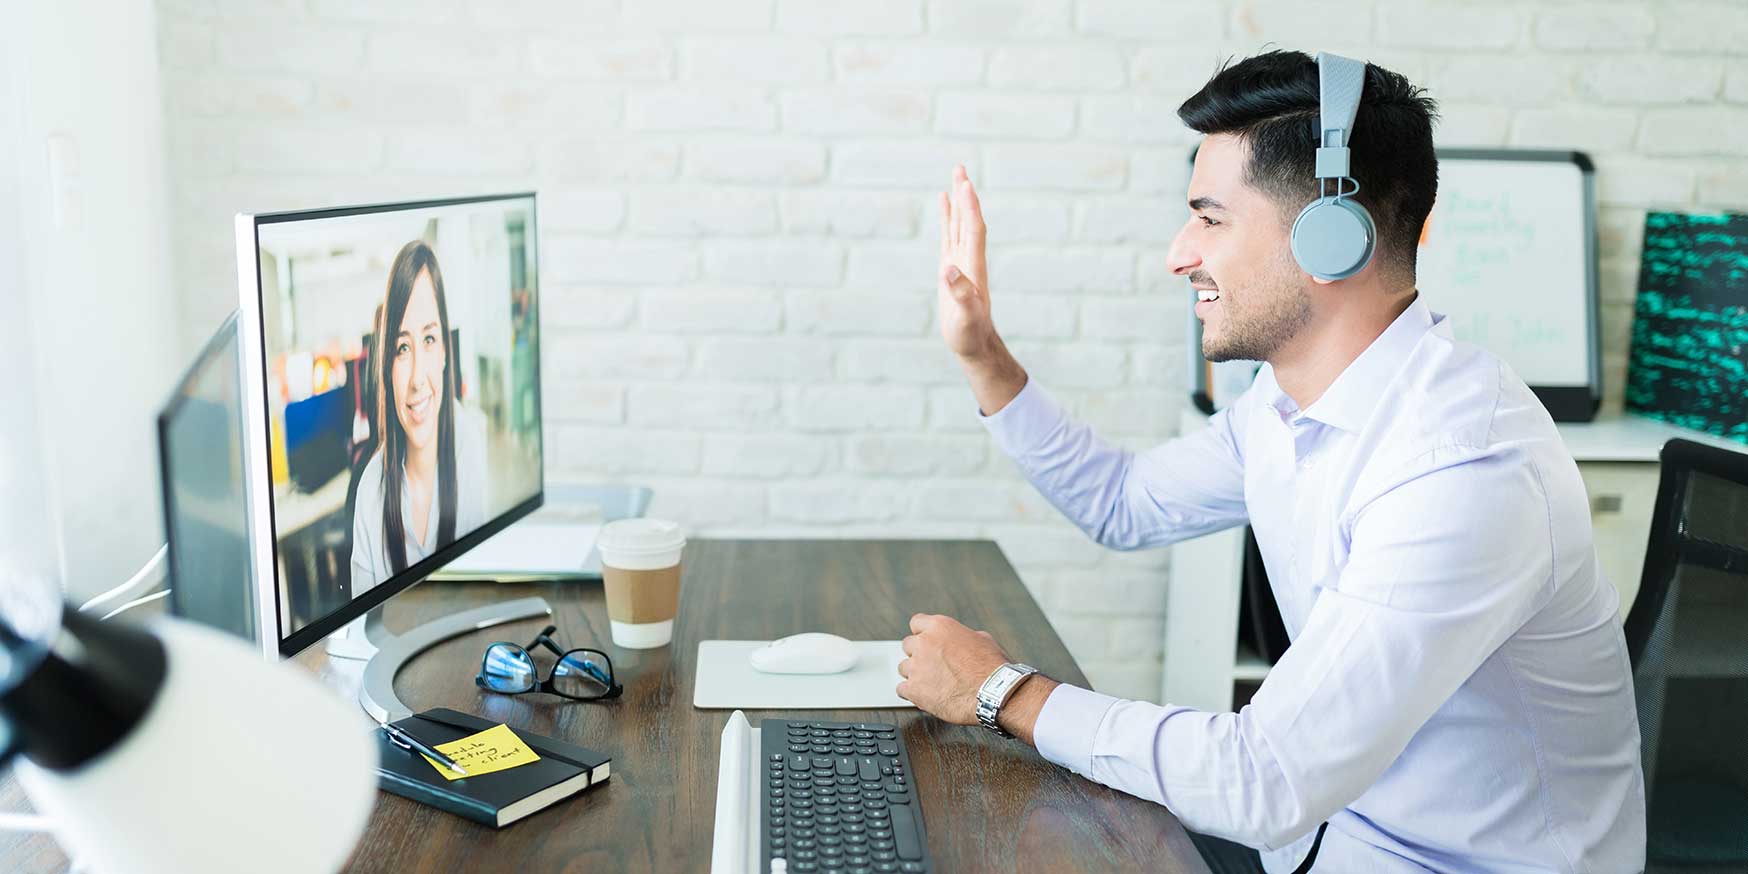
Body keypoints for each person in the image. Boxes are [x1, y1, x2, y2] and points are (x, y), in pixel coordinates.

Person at [896, 50, 1645, 873]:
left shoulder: (1463, 469)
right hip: (1328, 844)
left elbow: (1264, 778)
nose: (1179, 253)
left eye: (1211, 219)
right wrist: (983, 355)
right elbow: (1125, 503)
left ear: (1332, 236)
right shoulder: (1284, 405)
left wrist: (1001, 691)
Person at [351, 240, 486, 594]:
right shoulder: (370, 495)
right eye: (402, 348)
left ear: (444, 351)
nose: (416, 379)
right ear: (386, 367)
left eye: (428, 339)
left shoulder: (473, 445)